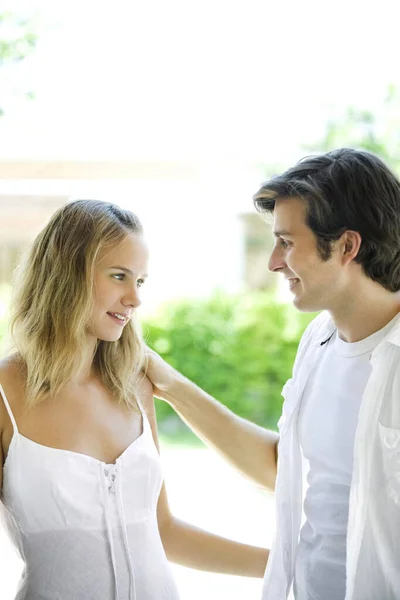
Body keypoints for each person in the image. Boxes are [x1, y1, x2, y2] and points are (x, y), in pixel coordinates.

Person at [146, 147, 400, 600]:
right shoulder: (318, 343)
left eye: (286, 242)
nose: (273, 262)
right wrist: (169, 385)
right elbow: (282, 467)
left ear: (346, 246)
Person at [0, 199, 268, 600]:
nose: (134, 298)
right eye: (119, 276)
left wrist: (290, 563)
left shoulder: (134, 387)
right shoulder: (5, 392)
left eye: (140, 281)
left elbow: (163, 532)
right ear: (66, 275)